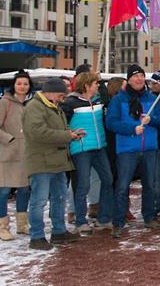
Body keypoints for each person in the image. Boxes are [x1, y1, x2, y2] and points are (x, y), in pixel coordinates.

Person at [106, 64, 160, 237]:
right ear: (129, 79)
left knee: (151, 185)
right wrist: (132, 129)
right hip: (127, 149)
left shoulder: (152, 98)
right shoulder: (119, 100)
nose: (139, 79)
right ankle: (118, 221)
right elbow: (111, 122)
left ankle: (149, 216)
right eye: (135, 76)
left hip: (149, 148)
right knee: (122, 186)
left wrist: (152, 119)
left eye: (141, 76)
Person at [23, 79, 83, 250]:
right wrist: (67, 136)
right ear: (49, 92)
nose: (62, 97)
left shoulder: (52, 105)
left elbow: (54, 129)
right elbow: (37, 132)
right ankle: (37, 236)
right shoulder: (34, 107)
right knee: (39, 200)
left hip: (57, 161)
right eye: (60, 94)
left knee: (59, 197)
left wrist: (71, 133)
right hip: (41, 161)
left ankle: (59, 231)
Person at [60, 72, 114, 234]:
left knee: (108, 179)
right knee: (83, 184)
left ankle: (103, 218)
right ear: (86, 85)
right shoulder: (70, 103)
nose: (98, 85)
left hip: (99, 146)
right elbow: (61, 123)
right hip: (81, 148)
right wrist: (71, 133)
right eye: (95, 83)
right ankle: (80, 221)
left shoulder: (98, 100)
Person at [0, 70, 31, 241]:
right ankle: (2, 226)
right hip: (8, 152)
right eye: (19, 83)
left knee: (24, 189)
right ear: (14, 85)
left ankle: (22, 224)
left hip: (25, 153)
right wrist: (9, 139)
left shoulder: (28, 104)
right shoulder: (4, 103)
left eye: (25, 84)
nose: (22, 87)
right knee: (4, 190)